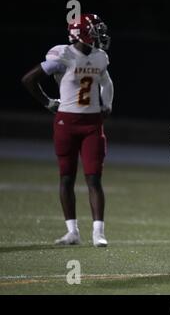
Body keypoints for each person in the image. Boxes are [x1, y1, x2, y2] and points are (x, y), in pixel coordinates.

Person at [21, 14, 114, 247]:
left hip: (92, 123)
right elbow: (29, 79)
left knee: (94, 178)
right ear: (81, 33)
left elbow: (107, 82)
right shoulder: (63, 54)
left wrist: (107, 103)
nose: (99, 35)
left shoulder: (100, 57)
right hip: (66, 122)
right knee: (66, 177)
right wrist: (47, 102)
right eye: (94, 30)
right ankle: (72, 232)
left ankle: (98, 233)